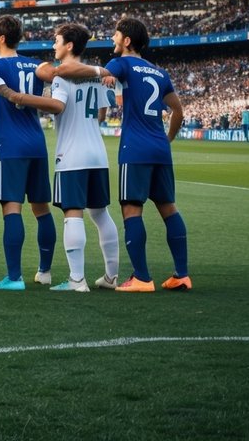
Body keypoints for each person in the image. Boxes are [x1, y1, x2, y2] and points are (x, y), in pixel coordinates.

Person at [53, 17, 190, 292]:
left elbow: (94, 73)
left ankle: (141, 277)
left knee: (131, 210)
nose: (113, 39)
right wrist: (167, 139)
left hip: (135, 148)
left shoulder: (122, 63)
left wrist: (60, 73)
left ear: (127, 40)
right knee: (169, 209)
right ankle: (181, 274)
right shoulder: (160, 73)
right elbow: (178, 111)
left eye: (116, 35)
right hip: (160, 149)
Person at [13, 23, 123, 291]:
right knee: (100, 214)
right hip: (97, 153)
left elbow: (58, 106)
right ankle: (111, 276)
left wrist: (23, 98)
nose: (53, 45)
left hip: (72, 155)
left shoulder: (62, 76)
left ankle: (76, 279)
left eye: (57, 40)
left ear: (69, 45)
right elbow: (101, 114)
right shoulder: (99, 76)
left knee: (72, 214)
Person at [0, 15, 57, 291]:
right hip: (37, 143)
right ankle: (45, 271)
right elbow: (53, 75)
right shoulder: (37, 63)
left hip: (10, 145)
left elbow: (6, 93)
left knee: (11, 208)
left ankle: (14, 277)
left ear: (2, 37)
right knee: (41, 209)